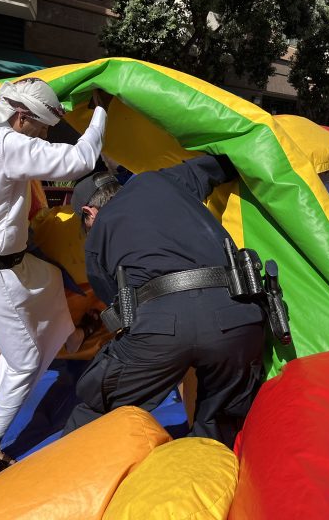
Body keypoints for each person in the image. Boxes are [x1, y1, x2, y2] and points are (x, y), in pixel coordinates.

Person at [0, 77, 108, 464]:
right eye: (42, 128)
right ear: (20, 118)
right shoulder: (5, 144)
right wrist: (102, 111)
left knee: (51, 279)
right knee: (24, 361)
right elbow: (80, 161)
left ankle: (68, 339)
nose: (45, 136)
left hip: (0, 260)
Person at [62, 152, 266, 448]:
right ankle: (213, 475)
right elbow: (224, 162)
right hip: (238, 315)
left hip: (163, 325)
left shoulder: (98, 237)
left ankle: (63, 478)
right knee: (224, 423)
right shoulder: (162, 180)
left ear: (88, 212)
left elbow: (121, 309)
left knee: (97, 405)